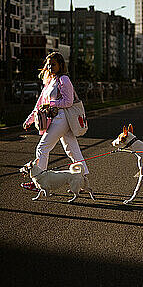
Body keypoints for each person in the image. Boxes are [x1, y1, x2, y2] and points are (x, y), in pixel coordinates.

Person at [21, 52, 89, 191]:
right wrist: (30, 119)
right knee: (73, 150)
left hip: (63, 117)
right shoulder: (49, 81)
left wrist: (51, 104)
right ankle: (83, 180)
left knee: (42, 147)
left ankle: (38, 181)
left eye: (53, 64)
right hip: (58, 118)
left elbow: (68, 101)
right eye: (48, 64)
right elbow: (40, 103)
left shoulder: (64, 79)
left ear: (60, 65)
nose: (50, 67)